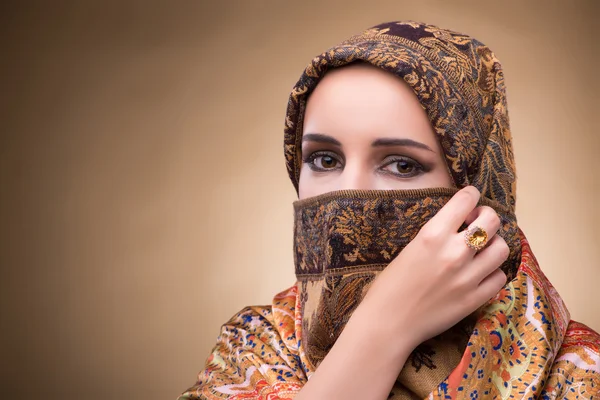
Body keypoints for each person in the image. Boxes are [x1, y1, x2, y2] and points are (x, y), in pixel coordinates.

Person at [179, 21, 600, 399]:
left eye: (402, 164)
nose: (350, 194)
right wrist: (384, 328)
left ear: (478, 187)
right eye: (325, 160)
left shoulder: (579, 373)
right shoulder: (251, 350)